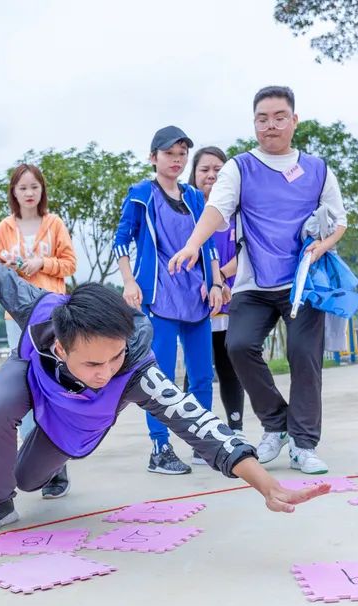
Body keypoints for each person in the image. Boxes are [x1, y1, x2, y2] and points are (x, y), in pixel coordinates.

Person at [0, 255, 330, 536]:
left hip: (76, 418)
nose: (105, 372)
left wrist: (266, 484)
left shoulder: (136, 371)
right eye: (92, 363)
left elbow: (199, 425)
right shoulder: (38, 311)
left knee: (28, 478)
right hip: (30, 374)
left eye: (115, 356)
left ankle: (54, 462)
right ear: (60, 347)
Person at [170, 87, 348, 475]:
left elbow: (340, 220)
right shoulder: (240, 167)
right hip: (254, 282)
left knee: (305, 358)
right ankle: (275, 424)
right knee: (238, 345)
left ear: (294, 120)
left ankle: (303, 445)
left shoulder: (318, 169)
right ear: (254, 123)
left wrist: (322, 246)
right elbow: (218, 208)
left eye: (279, 116)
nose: (271, 125)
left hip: (303, 282)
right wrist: (191, 245)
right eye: (262, 118)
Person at [113, 126, 224, 475]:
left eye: (181, 154)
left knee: (202, 375)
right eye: (169, 154)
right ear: (153, 157)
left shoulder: (194, 197)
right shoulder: (141, 194)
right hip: (159, 299)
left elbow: (206, 244)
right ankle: (160, 449)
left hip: (196, 298)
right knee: (159, 378)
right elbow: (121, 241)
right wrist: (129, 282)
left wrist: (216, 282)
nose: (176, 160)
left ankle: (202, 443)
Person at [0, 163, 76, 497]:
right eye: (23, 187)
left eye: (35, 187)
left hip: (51, 314)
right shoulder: (4, 228)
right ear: (14, 192)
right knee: (24, 386)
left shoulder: (53, 223)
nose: (29, 193)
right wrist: (11, 269)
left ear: (42, 191)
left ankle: (57, 466)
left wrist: (43, 263)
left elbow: (70, 263)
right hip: (17, 318)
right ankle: (35, 464)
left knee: (53, 385)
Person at [185, 146, 246, 465]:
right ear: (193, 175)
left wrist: (220, 279)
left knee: (230, 366)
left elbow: (246, 249)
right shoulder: (187, 212)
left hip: (231, 301)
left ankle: (235, 430)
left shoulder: (237, 210)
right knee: (197, 373)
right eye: (204, 169)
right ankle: (198, 437)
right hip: (195, 304)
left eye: (218, 170)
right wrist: (204, 285)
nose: (211, 175)